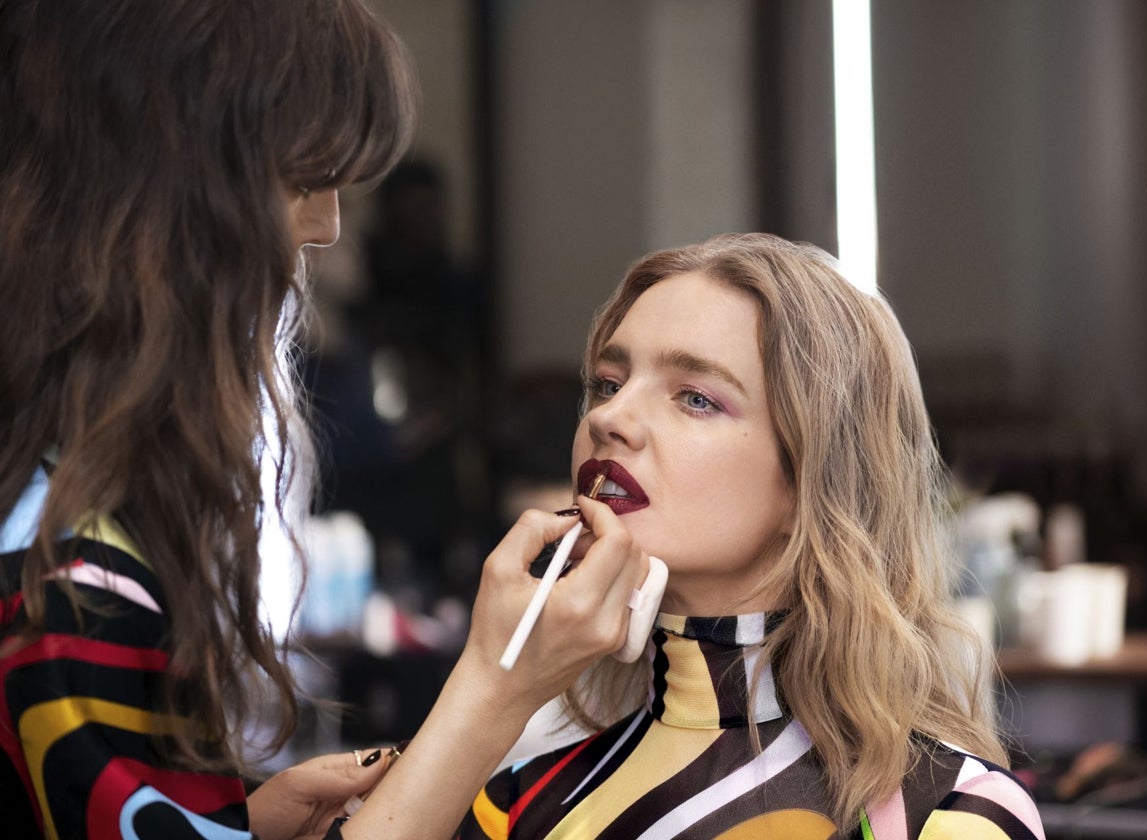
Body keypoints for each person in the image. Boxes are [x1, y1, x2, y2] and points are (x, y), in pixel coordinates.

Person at [0, 2, 647, 838]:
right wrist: (495, 687)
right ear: (171, 189)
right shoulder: (68, 577)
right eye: (304, 177)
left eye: (698, 397)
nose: (327, 224)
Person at [458, 234, 1047, 839]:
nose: (607, 419)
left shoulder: (947, 815)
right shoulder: (517, 808)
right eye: (609, 383)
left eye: (695, 398)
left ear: (812, 476)